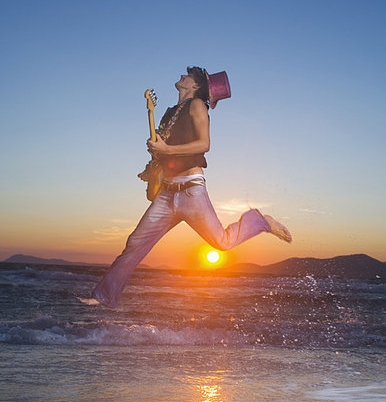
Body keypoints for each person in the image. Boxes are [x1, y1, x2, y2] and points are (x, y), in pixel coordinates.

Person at [79, 67, 292, 309]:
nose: (183, 75)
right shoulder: (169, 113)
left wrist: (167, 150)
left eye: (188, 76)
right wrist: (153, 167)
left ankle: (260, 221)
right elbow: (164, 153)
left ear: (195, 86)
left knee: (222, 243)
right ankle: (104, 296)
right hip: (167, 192)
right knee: (135, 242)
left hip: (192, 191)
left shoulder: (197, 105)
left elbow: (204, 144)